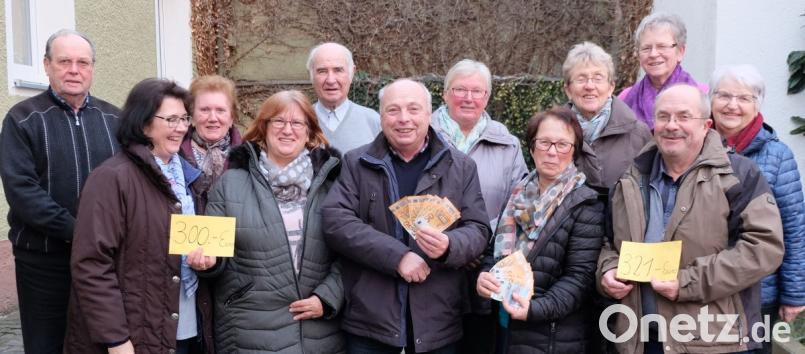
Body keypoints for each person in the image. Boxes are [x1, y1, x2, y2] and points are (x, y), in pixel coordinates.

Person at [597, 84, 784, 353]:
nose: (672, 125)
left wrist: (687, 283)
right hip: (640, 337)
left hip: (713, 340)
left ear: (706, 125)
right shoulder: (631, 176)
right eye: (663, 116)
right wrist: (608, 269)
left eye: (684, 117)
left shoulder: (738, 175)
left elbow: (764, 247)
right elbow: (608, 241)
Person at [321, 79, 491, 354]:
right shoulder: (357, 162)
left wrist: (450, 246)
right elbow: (336, 221)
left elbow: (479, 229)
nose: (404, 119)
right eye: (393, 110)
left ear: (429, 114)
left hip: (438, 320)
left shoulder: (461, 166)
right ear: (381, 116)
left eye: (413, 109)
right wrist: (397, 257)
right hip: (371, 321)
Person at [65, 79, 214, 353]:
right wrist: (116, 340)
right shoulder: (111, 178)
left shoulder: (191, 178)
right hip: (133, 334)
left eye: (184, 118)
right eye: (171, 119)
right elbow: (91, 264)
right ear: (143, 124)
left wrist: (210, 261)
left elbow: (202, 240)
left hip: (186, 323)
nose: (181, 127)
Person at [0, 29, 120, 353]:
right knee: (46, 345)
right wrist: (79, 230)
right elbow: (22, 191)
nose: (74, 70)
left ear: (92, 67)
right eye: (64, 62)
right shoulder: (22, 119)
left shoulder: (115, 120)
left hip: (103, 261)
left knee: (102, 342)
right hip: (43, 262)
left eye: (83, 62)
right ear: (46, 65)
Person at [200, 90, 345, 353]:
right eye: (278, 121)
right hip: (250, 330)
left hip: (319, 332)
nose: (287, 130)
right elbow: (214, 254)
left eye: (297, 123)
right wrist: (208, 262)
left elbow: (351, 253)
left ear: (309, 132)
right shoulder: (230, 184)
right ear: (264, 128)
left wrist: (328, 296)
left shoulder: (333, 184)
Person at [476, 106, 605, 353]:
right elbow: (493, 254)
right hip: (503, 324)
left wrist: (534, 310)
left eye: (562, 144)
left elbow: (579, 278)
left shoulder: (586, 204)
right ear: (532, 147)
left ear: (574, 150)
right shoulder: (517, 194)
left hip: (551, 335)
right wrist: (484, 276)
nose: (552, 152)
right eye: (544, 142)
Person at [431, 58, 527, 354]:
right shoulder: (422, 135)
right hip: (431, 264)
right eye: (460, 89)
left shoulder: (507, 144)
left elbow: (517, 202)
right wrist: (452, 244)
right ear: (445, 93)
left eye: (477, 91)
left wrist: (477, 244)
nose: (468, 98)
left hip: (485, 266)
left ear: (487, 97)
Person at [708, 65, 805, 351]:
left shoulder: (778, 156)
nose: (732, 105)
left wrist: (794, 295)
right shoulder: (694, 147)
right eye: (724, 96)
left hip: (758, 291)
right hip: (701, 285)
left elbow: (793, 228)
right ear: (711, 99)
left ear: (757, 104)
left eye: (744, 98)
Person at [562, 42, 652, 189]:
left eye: (598, 78)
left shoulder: (638, 134)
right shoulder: (551, 133)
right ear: (568, 90)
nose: (590, 86)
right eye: (581, 79)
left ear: (611, 87)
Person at [619, 13, 707, 130]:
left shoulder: (703, 95)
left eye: (662, 46)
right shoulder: (625, 98)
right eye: (646, 48)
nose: (653, 54)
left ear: (680, 51)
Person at [180, 74, 243, 212]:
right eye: (205, 110)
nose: (213, 118)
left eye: (220, 110)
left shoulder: (248, 159)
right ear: (192, 116)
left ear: (231, 118)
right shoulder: (175, 155)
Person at [306, 42, 381, 152]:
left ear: (352, 73)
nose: (331, 80)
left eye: (338, 70)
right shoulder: (299, 122)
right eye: (322, 71)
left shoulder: (373, 122)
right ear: (311, 75)